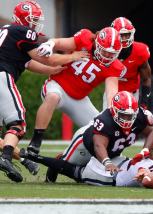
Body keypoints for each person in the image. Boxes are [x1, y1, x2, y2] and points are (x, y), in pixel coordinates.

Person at [0, 0, 88, 182]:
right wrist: (72, 56)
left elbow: (29, 63)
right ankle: (6, 159)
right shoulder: (22, 32)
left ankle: (21, 159)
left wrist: (52, 71)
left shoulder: (9, 33)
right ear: (22, 19)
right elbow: (47, 59)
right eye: (32, 19)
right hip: (2, 76)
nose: (35, 23)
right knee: (18, 124)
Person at [27, 26, 126, 155]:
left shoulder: (115, 66)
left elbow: (111, 93)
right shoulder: (85, 39)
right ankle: (36, 141)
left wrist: (112, 113)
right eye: (105, 51)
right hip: (57, 85)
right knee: (53, 97)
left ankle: (66, 158)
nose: (107, 56)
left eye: (112, 53)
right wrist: (50, 44)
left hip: (78, 99)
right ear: (97, 43)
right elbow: (59, 42)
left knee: (102, 128)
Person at [44, 91, 153, 182]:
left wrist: (147, 150)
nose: (126, 119)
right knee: (65, 164)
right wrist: (107, 162)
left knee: (101, 175)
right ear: (114, 111)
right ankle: (51, 175)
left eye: (130, 116)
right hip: (86, 143)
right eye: (123, 115)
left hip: (112, 150)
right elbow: (99, 145)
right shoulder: (105, 120)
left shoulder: (140, 118)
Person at [20, 136, 153, 187]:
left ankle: (63, 157)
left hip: (121, 163)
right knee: (75, 172)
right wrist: (146, 176)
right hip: (112, 177)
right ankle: (30, 156)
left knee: (77, 166)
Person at [102, 17, 152, 109]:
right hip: (111, 94)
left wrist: (144, 102)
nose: (124, 38)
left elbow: (146, 79)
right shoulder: (105, 50)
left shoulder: (140, 51)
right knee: (108, 122)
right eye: (121, 35)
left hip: (132, 95)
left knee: (130, 123)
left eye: (127, 34)